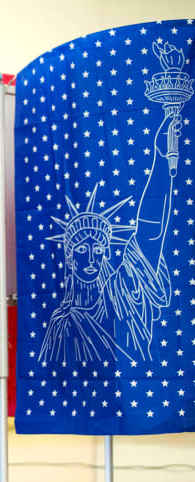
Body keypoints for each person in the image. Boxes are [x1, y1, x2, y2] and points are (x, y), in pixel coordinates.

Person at [39, 112, 181, 367]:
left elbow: (150, 231)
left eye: (98, 249)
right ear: (69, 258)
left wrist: (160, 158)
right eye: (82, 249)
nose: (92, 257)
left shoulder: (121, 293)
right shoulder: (61, 324)